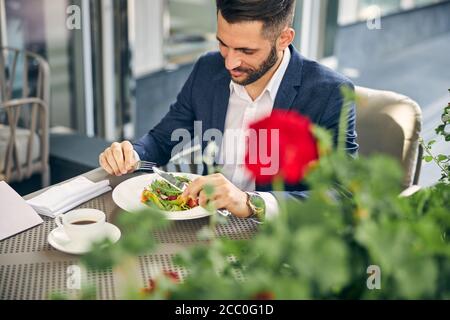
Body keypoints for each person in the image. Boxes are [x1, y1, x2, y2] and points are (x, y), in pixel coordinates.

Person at [99, 0, 358, 222]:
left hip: (277, 239)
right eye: (223, 44)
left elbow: (343, 194)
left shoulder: (330, 93)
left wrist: (250, 203)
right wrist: (131, 153)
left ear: (284, 38)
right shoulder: (207, 69)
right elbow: (162, 139)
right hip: (203, 226)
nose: (230, 62)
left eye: (246, 51)